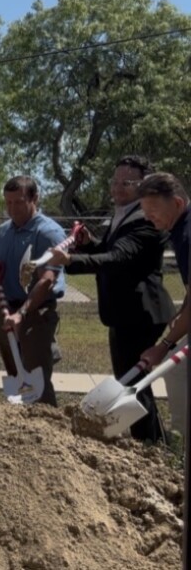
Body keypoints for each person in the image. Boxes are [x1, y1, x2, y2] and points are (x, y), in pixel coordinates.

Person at [49, 156, 176, 442]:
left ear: (144, 185)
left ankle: (149, 445)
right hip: (123, 312)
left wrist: (71, 259)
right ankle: (154, 442)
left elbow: (120, 257)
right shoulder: (125, 212)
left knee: (132, 384)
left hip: (141, 313)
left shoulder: (146, 219)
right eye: (115, 181)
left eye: (126, 183)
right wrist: (89, 243)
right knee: (133, 382)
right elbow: (109, 248)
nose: (117, 188)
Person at [0, 177, 67, 406]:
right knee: (17, 375)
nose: (12, 209)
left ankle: (48, 425)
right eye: (8, 203)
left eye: (19, 202)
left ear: (35, 199)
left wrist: (21, 313)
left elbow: (46, 280)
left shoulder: (48, 233)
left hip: (36, 312)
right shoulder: (3, 232)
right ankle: (22, 428)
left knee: (37, 380)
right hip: (7, 308)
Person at [137, 173, 190, 439]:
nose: (148, 217)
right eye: (145, 212)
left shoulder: (187, 235)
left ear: (178, 203)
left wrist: (164, 345)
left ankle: (183, 439)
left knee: (176, 368)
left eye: (154, 210)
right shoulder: (181, 228)